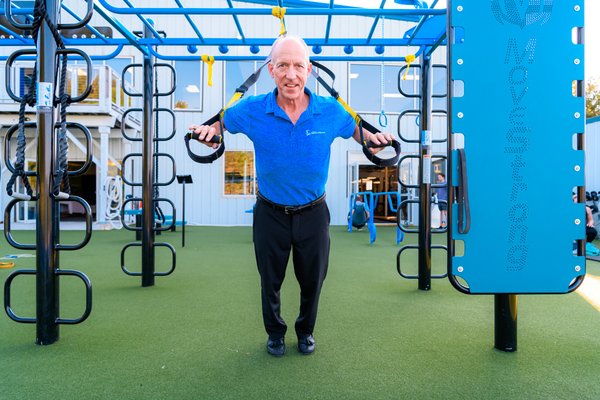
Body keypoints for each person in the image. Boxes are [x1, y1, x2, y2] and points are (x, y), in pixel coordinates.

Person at [189, 35, 394, 357]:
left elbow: (366, 138)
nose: (291, 74)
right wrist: (207, 135)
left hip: (314, 213)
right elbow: (217, 127)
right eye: (283, 65)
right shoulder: (252, 109)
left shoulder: (332, 111)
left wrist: (379, 140)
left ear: (309, 70)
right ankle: (275, 333)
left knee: (313, 281)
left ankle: (305, 331)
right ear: (271, 70)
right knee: (270, 281)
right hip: (270, 213)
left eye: (298, 66)